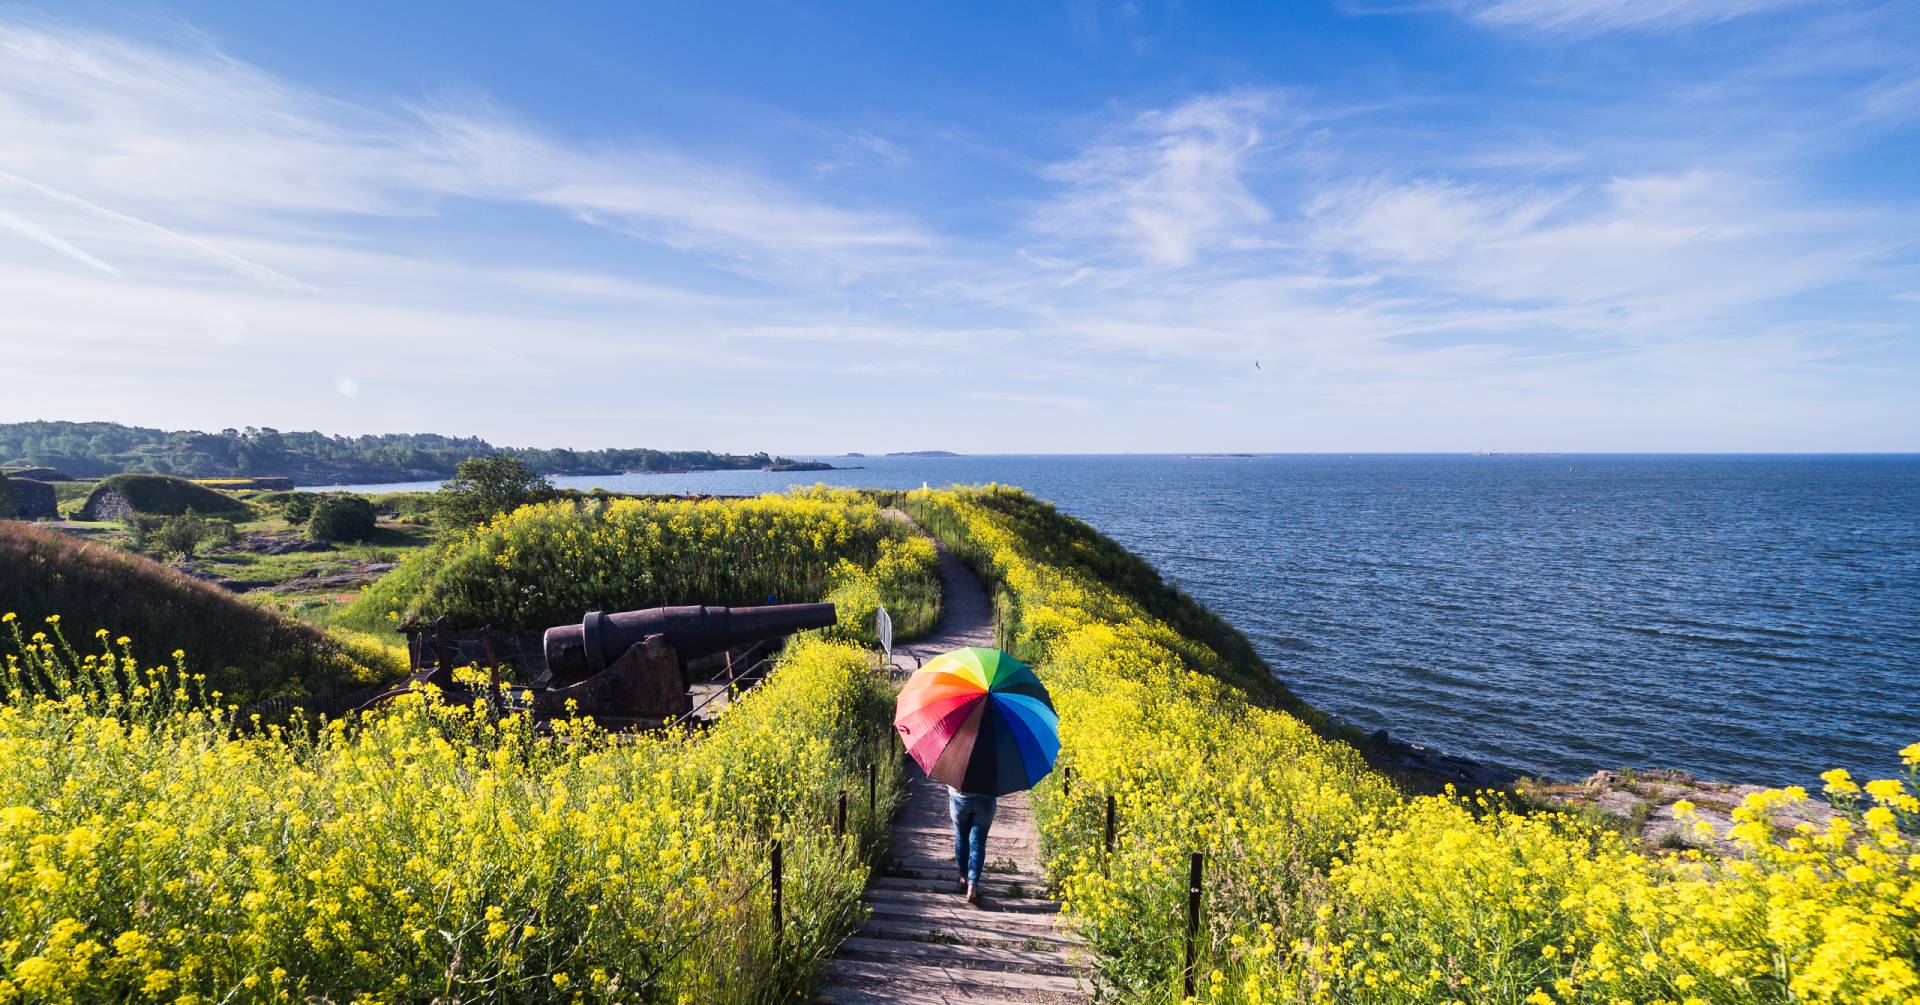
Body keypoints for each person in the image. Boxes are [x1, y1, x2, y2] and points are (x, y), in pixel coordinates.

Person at [948, 785, 997, 903]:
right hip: (985, 796)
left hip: (959, 797)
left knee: (961, 838)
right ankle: (972, 887)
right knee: (978, 842)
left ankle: (963, 879)